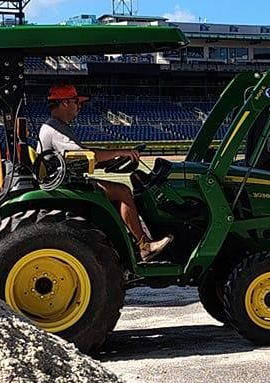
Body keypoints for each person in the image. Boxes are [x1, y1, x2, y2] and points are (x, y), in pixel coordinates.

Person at [36, 83, 172, 258]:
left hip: (63, 178)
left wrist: (108, 163)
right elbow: (85, 155)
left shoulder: (57, 127)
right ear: (65, 103)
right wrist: (119, 152)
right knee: (123, 192)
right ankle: (144, 245)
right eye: (77, 103)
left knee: (117, 191)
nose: (79, 107)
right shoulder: (55, 129)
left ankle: (128, 240)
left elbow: (79, 158)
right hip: (65, 183)